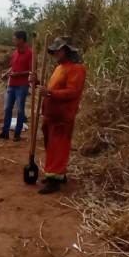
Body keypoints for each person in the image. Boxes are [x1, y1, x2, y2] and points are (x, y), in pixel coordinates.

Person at [35, 36, 86, 194]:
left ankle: (54, 179)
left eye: (59, 49)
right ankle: (56, 174)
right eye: (55, 50)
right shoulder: (60, 68)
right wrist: (37, 83)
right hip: (51, 113)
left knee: (58, 146)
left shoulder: (76, 69)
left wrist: (49, 93)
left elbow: (72, 92)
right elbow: (50, 89)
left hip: (63, 114)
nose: (56, 52)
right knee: (51, 144)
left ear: (67, 50)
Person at [0, 30, 32, 141]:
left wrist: (18, 74)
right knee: (7, 109)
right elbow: (13, 66)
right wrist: (6, 74)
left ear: (21, 39)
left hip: (22, 85)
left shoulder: (30, 53)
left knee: (20, 110)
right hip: (11, 84)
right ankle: (5, 132)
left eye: (15, 39)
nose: (13, 41)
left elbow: (31, 70)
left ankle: (17, 134)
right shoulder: (15, 52)